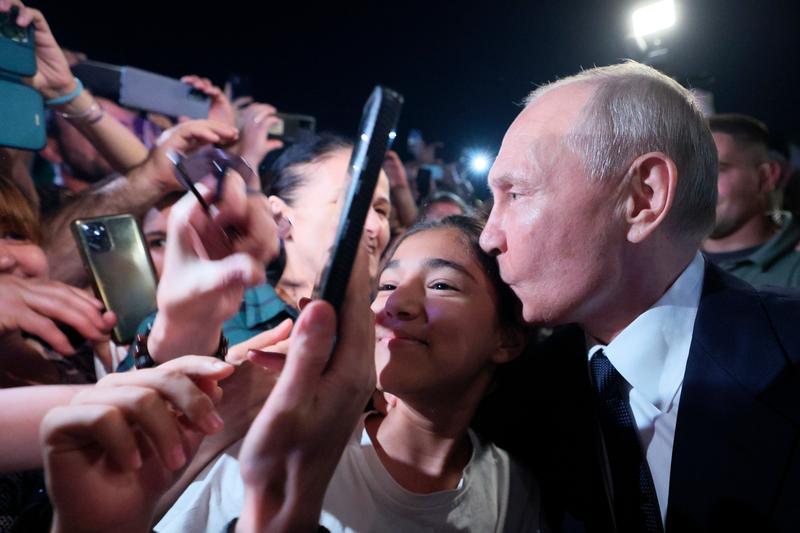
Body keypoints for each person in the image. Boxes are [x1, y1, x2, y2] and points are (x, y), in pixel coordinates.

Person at [474, 61, 800, 532]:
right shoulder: (518, 398)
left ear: (643, 197)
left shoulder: (789, 360)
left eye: (517, 194)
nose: (489, 236)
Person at [156, 216, 542, 532]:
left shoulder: (509, 492)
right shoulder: (283, 445)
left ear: (507, 338)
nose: (396, 304)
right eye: (387, 284)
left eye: (441, 285)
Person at [702, 114, 800, 287]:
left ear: (765, 177)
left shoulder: (794, 271)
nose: (698, 185)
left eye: (716, 169)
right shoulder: (666, 263)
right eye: (690, 171)